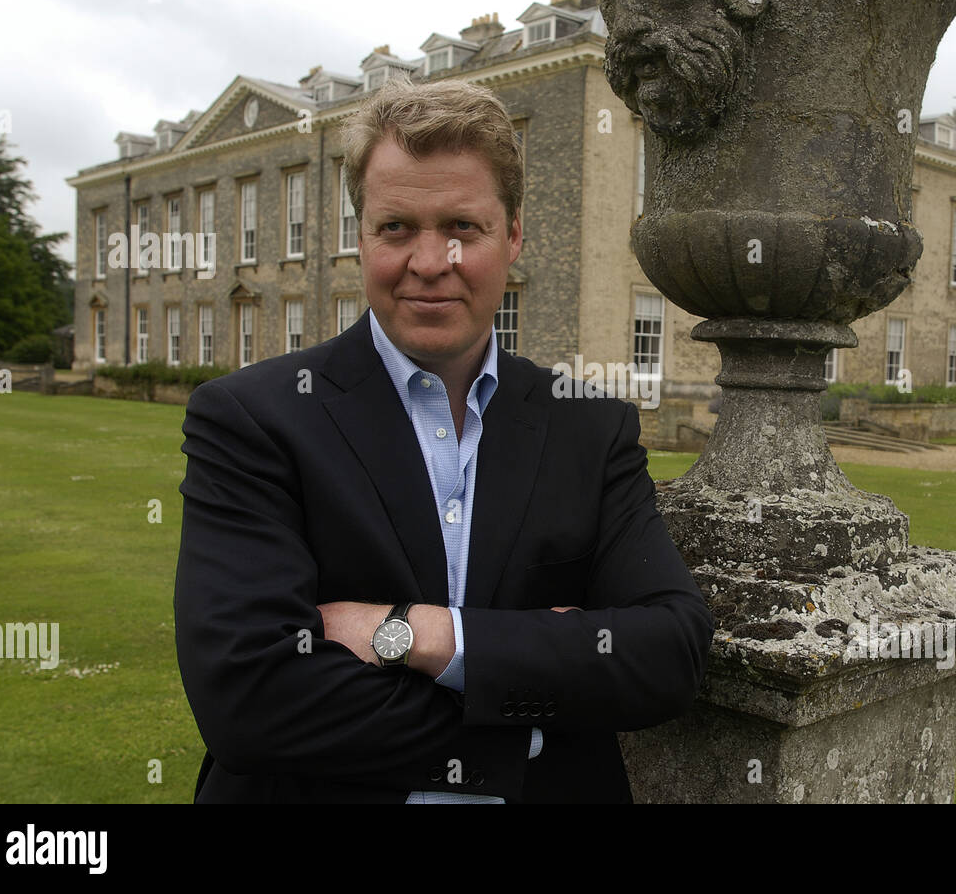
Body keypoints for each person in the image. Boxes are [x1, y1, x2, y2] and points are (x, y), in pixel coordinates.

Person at [173, 78, 714, 803]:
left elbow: (669, 653)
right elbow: (250, 700)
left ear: (513, 234)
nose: (431, 262)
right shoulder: (252, 420)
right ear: (360, 236)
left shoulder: (587, 425)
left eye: (463, 227)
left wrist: (421, 635)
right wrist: (532, 695)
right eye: (396, 228)